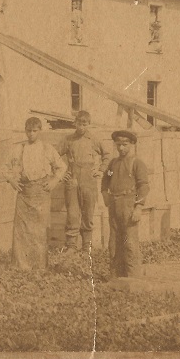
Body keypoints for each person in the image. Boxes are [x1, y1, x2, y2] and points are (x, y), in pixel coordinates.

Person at [2, 117, 67, 270]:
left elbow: (62, 167)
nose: (31, 134)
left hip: (41, 192)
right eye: (28, 131)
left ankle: (39, 266)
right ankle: (20, 266)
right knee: (21, 230)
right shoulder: (19, 148)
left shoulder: (47, 148)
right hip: (24, 193)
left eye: (34, 131)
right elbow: (4, 167)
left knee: (39, 231)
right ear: (25, 131)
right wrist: (11, 180)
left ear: (40, 131)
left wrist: (53, 181)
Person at [56, 110, 111, 252]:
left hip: (89, 180)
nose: (81, 127)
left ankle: (87, 246)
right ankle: (71, 246)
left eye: (84, 124)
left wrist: (100, 170)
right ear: (75, 123)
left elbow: (107, 155)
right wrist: (61, 174)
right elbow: (53, 157)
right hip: (72, 179)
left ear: (89, 124)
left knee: (88, 213)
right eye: (79, 123)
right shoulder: (68, 140)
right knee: (72, 213)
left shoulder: (94, 139)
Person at [102, 129, 149, 278]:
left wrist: (139, 207)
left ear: (132, 144)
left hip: (128, 204)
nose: (121, 148)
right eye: (118, 145)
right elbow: (106, 179)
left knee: (129, 242)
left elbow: (143, 186)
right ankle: (116, 276)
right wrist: (105, 194)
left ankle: (133, 276)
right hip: (114, 204)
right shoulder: (113, 164)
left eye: (125, 144)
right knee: (114, 242)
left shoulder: (137, 164)